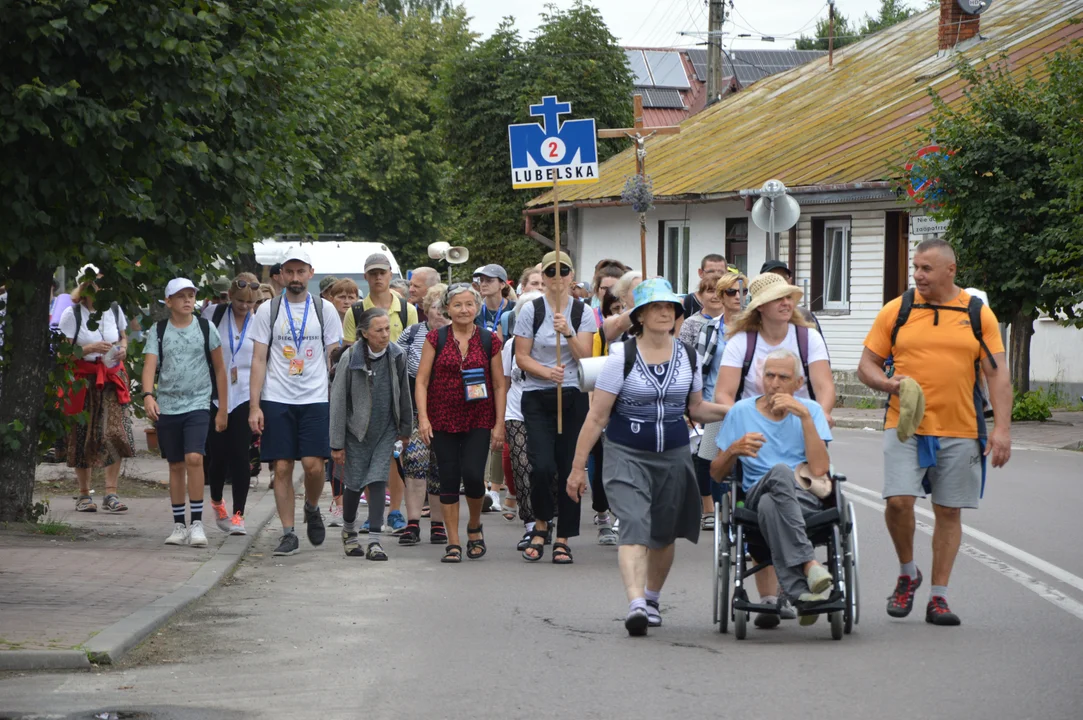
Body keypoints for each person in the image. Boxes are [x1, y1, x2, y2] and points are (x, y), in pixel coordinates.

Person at [857, 238, 1011, 626]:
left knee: (947, 510)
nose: (918, 275)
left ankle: (938, 597)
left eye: (926, 269)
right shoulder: (899, 310)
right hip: (906, 424)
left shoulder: (978, 315)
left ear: (950, 271)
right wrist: (889, 384)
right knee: (897, 502)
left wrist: (1002, 430)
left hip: (961, 427)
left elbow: (997, 374)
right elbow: (866, 366)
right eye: (915, 267)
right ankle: (908, 571)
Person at [568, 278, 729, 635]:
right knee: (635, 526)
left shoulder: (687, 356)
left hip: (673, 455)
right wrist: (578, 468)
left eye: (669, 307)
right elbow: (597, 417)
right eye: (655, 307)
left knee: (664, 535)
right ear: (639, 315)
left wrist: (734, 411)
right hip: (626, 454)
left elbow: (697, 408)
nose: (663, 313)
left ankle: (652, 597)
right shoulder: (620, 357)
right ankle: (636, 603)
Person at [715, 271, 835, 628]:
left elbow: (823, 387)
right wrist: (745, 418)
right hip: (754, 428)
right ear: (761, 307)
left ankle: (788, 593)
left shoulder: (807, 338)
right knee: (774, 478)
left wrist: (813, 419)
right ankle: (806, 573)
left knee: (773, 498)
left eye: (790, 298)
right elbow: (724, 393)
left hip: (800, 457)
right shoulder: (742, 343)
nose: (788, 303)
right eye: (779, 298)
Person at [249, 247, 343, 557]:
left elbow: (335, 357)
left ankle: (312, 507)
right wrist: (254, 406)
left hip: (315, 398)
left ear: (310, 274)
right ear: (281, 275)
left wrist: (338, 399)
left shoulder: (324, 309)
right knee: (282, 466)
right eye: (289, 272)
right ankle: (288, 533)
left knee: (315, 467)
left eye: (300, 271)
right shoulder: (269, 310)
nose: (295, 278)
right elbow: (259, 358)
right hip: (277, 397)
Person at [514, 251, 598, 564]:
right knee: (542, 465)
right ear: (544, 277)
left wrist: (569, 332)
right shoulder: (531, 310)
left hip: (572, 396)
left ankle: (563, 536)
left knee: (569, 467)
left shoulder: (582, 311)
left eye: (564, 271)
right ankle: (540, 524)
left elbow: (585, 355)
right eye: (551, 272)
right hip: (538, 395)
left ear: (571, 276)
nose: (558, 277)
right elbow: (521, 357)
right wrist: (547, 372)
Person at [416, 284, 506, 563]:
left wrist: (499, 423)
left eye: (469, 304)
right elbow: (421, 380)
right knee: (449, 478)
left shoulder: (489, 340)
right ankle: (453, 541)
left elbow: (500, 384)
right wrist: (423, 417)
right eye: (457, 305)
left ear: (477, 307)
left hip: (479, 417)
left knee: (473, 475)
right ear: (447, 308)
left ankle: (475, 525)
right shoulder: (436, 338)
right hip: (442, 417)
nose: (464, 310)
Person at [142, 278, 229, 547]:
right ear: (168, 302)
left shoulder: (206, 327)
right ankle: (179, 525)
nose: (187, 300)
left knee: (195, 457)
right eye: (181, 296)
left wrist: (222, 408)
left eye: (191, 295)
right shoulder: (158, 330)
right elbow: (149, 366)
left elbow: (220, 369)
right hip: (168, 406)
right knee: (176, 464)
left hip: (198, 404)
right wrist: (147, 395)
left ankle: (197, 524)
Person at [330, 308, 413, 560]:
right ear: (364, 333)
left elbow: (404, 394)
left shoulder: (397, 355)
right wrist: (336, 443)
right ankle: (349, 532)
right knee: (354, 484)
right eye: (379, 330)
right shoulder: (351, 356)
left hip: (386, 429)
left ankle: (375, 541)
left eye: (387, 328)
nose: (385, 334)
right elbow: (338, 399)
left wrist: (405, 430)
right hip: (356, 432)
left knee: (377, 481)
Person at [342, 253, 417, 532]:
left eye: (382, 272)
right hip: (366, 384)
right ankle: (372, 511)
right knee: (366, 453)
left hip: (397, 382)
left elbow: (412, 348)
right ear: (366, 276)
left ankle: (395, 510)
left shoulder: (407, 309)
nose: (377, 278)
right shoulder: (357, 309)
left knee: (394, 452)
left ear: (390, 273)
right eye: (372, 273)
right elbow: (350, 352)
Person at [59, 269, 135, 514]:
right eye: (94, 284)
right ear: (84, 286)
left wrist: (122, 349)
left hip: (112, 377)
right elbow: (62, 353)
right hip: (85, 380)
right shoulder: (72, 314)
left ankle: (111, 493)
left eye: (102, 284)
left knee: (115, 432)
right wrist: (89, 347)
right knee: (83, 434)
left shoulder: (113, 309)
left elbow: (123, 338)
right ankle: (84, 494)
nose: (99, 289)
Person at [679, 271, 745, 527]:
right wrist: (690, 403)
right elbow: (696, 367)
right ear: (721, 296)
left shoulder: (753, 329)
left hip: (745, 404)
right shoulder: (710, 328)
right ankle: (720, 514)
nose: (738, 297)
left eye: (743, 292)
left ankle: (738, 513)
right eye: (732, 292)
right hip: (715, 404)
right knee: (713, 461)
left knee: (743, 462)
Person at [204, 273, 260, 535]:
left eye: (249, 303)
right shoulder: (213, 314)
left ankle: (238, 515)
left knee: (240, 456)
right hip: (215, 395)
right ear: (230, 295)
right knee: (217, 458)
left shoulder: (259, 322)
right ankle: (217, 501)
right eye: (239, 301)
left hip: (245, 396)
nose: (244, 307)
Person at [397, 284, 449, 545]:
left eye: (445, 308)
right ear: (426, 309)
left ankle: (438, 524)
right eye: (435, 307)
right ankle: (413, 522)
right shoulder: (412, 333)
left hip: (449, 412)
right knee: (416, 462)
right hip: (417, 411)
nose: (440, 313)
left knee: (441, 466)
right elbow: (396, 366)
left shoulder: (458, 336)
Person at [500, 290, 544, 549]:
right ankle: (529, 523)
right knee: (522, 467)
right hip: (516, 412)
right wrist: (499, 419)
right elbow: (503, 382)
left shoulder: (555, 344)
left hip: (546, 413)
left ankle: (546, 518)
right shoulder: (511, 345)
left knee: (545, 469)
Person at [760, 260, 823, 335]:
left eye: (783, 277)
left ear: (790, 280)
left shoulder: (804, 316)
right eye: (772, 278)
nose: (778, 281)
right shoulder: (749, 331)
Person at [682, 254, 728, 319]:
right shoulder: (690, 301)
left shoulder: (732, 296)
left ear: (726, 273)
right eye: (711, 272)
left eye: (720, 272)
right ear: (701, 273)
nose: (716, 275)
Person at [602, 270, 643, 343]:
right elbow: (617, 325)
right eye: (638, 290)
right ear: (623, 296)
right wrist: (643, 307)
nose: (644, 294)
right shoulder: (613, 320)